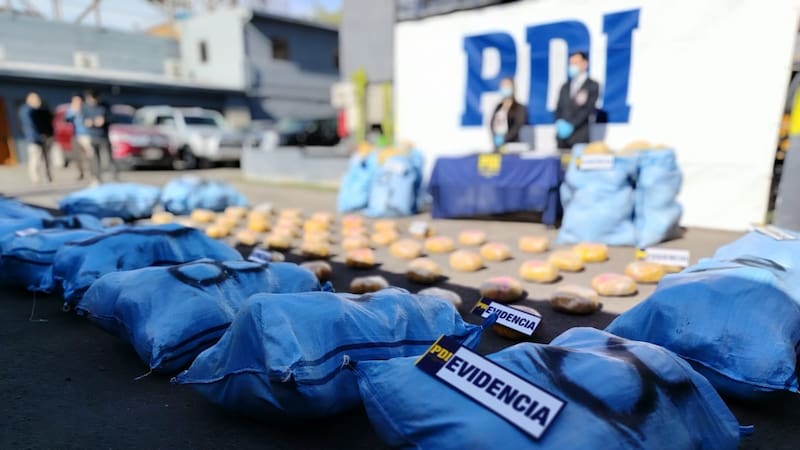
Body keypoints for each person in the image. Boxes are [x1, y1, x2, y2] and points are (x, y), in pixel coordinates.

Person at [554, 51, 600, 150]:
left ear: (585, 64)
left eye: (575, 63)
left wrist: (571, 125)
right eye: (571, 64)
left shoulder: (592, 85)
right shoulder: (565, 86)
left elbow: (587, 109)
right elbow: (559, 108)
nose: (572, 66)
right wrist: (559, 122)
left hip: (580, 137)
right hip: (562, 139)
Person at [81, 89, 118, 183]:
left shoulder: (105, 106)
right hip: (92, 136)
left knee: (107, 157)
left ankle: (113, 177)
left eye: (95, 99)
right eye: (90, 99)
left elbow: (112, 118)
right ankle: (97, 177)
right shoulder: (85, 107)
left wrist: (104, 120)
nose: (93, 101)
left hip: (103, 136)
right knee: (95, 158)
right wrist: (87, 122)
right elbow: (83, 120)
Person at [18, 92, 54, 184]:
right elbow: (30, 126)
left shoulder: (39, 110)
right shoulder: (27, 111)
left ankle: (47, 177)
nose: (38, 101)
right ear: (29, 100)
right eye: (36, 99)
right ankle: (35, 178)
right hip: (34, 139)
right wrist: (38, 136)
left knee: (45, 159)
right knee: (35, 159)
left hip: (43, 138)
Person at [489, 77, 528, 151]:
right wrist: (495, 136)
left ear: (512, 88)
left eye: (507, 86)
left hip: (513, 145)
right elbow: (492, 124)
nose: (505, 88)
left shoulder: (519, 108)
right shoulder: (498, 107)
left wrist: (505, 138)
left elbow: (518, 125)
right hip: (498, 146)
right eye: (503, 86)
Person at [65, 94, 91, 181]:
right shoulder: (71, 110)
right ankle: (81, 173)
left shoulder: (86, 109)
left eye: (78, 100)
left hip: (86, 134)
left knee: (89, 155)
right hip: (75, 135)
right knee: (77, 156)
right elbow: (67, 119)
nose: (76, 102)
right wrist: (74, 111)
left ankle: (91, 172)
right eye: (74, 101)